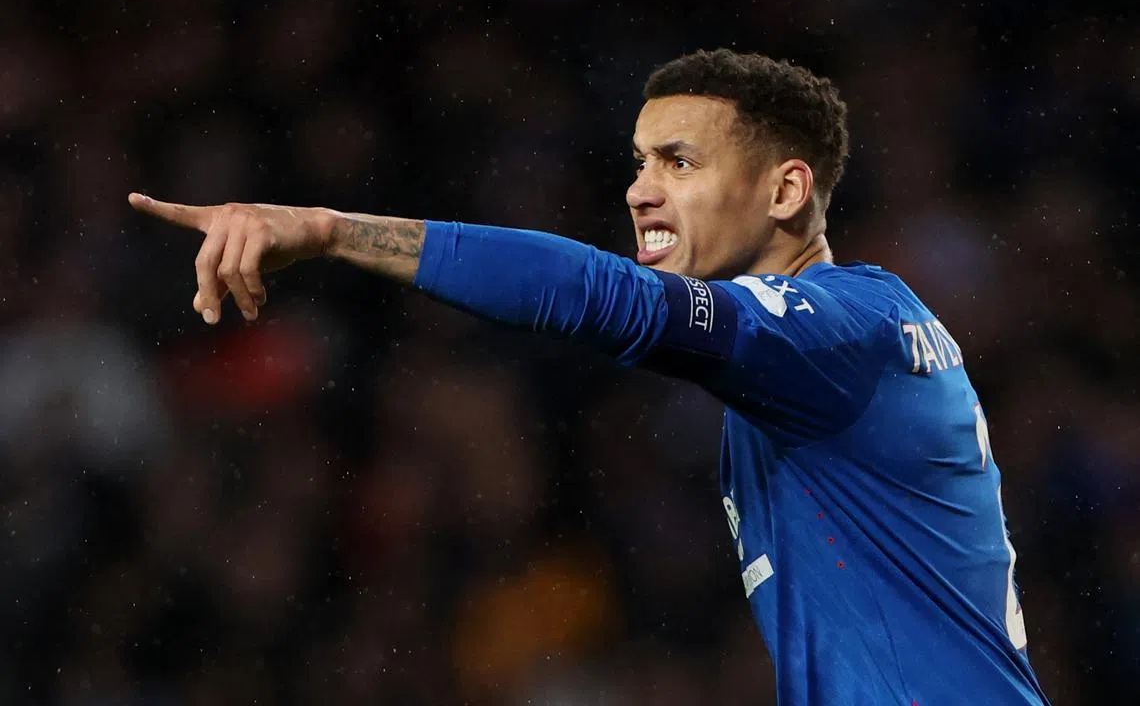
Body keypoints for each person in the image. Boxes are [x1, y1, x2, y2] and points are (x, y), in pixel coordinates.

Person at [129, 49, 1050, 705]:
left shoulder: (839, 333)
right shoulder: (827, 355)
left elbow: (607, 299)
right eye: (639, 163)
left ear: (785, 192)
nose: (640, 190)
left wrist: (332, 232)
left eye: (679, 163)